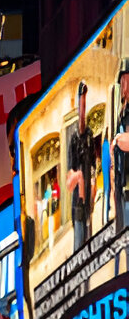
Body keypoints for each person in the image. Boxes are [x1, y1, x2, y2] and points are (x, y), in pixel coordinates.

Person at [67, 81, 96, 248]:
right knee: (79, 244)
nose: (83, 107)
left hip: (87, 203)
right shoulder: (73, 138)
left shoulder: (90, 135)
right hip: (78, 203)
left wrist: (92, 183)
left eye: (84, 100)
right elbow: (70, 173)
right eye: (81, 101)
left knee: (89, 242)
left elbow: (92, 163)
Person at [112, 61, 129, 234]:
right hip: (122, 187)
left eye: (125, 82)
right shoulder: (122, 113)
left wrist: (119, 140)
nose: (123, 87)